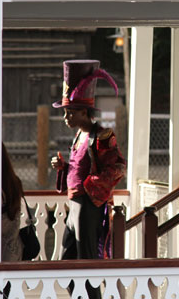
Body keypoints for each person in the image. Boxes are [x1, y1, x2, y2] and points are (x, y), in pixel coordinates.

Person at [50, 60, 126, 299]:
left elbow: (117, 167)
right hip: (74, 206)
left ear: (85, 112)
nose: (65, 117)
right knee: (66, 262)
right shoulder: (79, 136)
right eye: (64, 112)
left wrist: (89, 186)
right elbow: (79, 166)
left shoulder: (102, 135)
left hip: (88, 206)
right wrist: (63, 167)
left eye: (70, 112)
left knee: (86, 265)